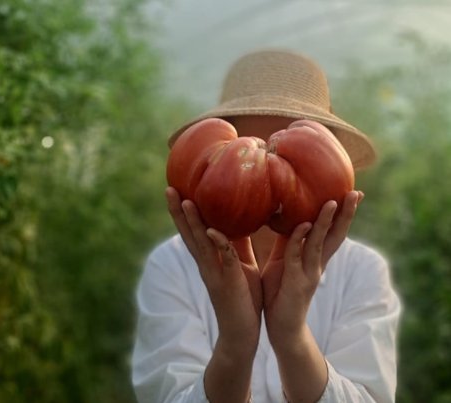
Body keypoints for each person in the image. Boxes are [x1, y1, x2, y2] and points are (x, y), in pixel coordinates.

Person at [132, 49, 401, 403]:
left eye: (293, 152)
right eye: (249, 154)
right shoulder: (172, 266)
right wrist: (235, 345)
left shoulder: (362, 271)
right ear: (210, 158)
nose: (271, 171)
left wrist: (292, 339)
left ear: (334, 165)